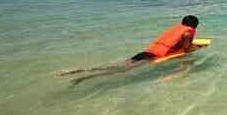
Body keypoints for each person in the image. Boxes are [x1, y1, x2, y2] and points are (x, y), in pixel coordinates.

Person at [55, 15, 200, 84]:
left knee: (117, 65)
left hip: (145, 52)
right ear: (194, 26)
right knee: (121, 70)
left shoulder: (176, 28)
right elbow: (186, 49)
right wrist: (193, 50)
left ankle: (79, 70)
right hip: (152, 56)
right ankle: (83, 78)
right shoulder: (189, 32)